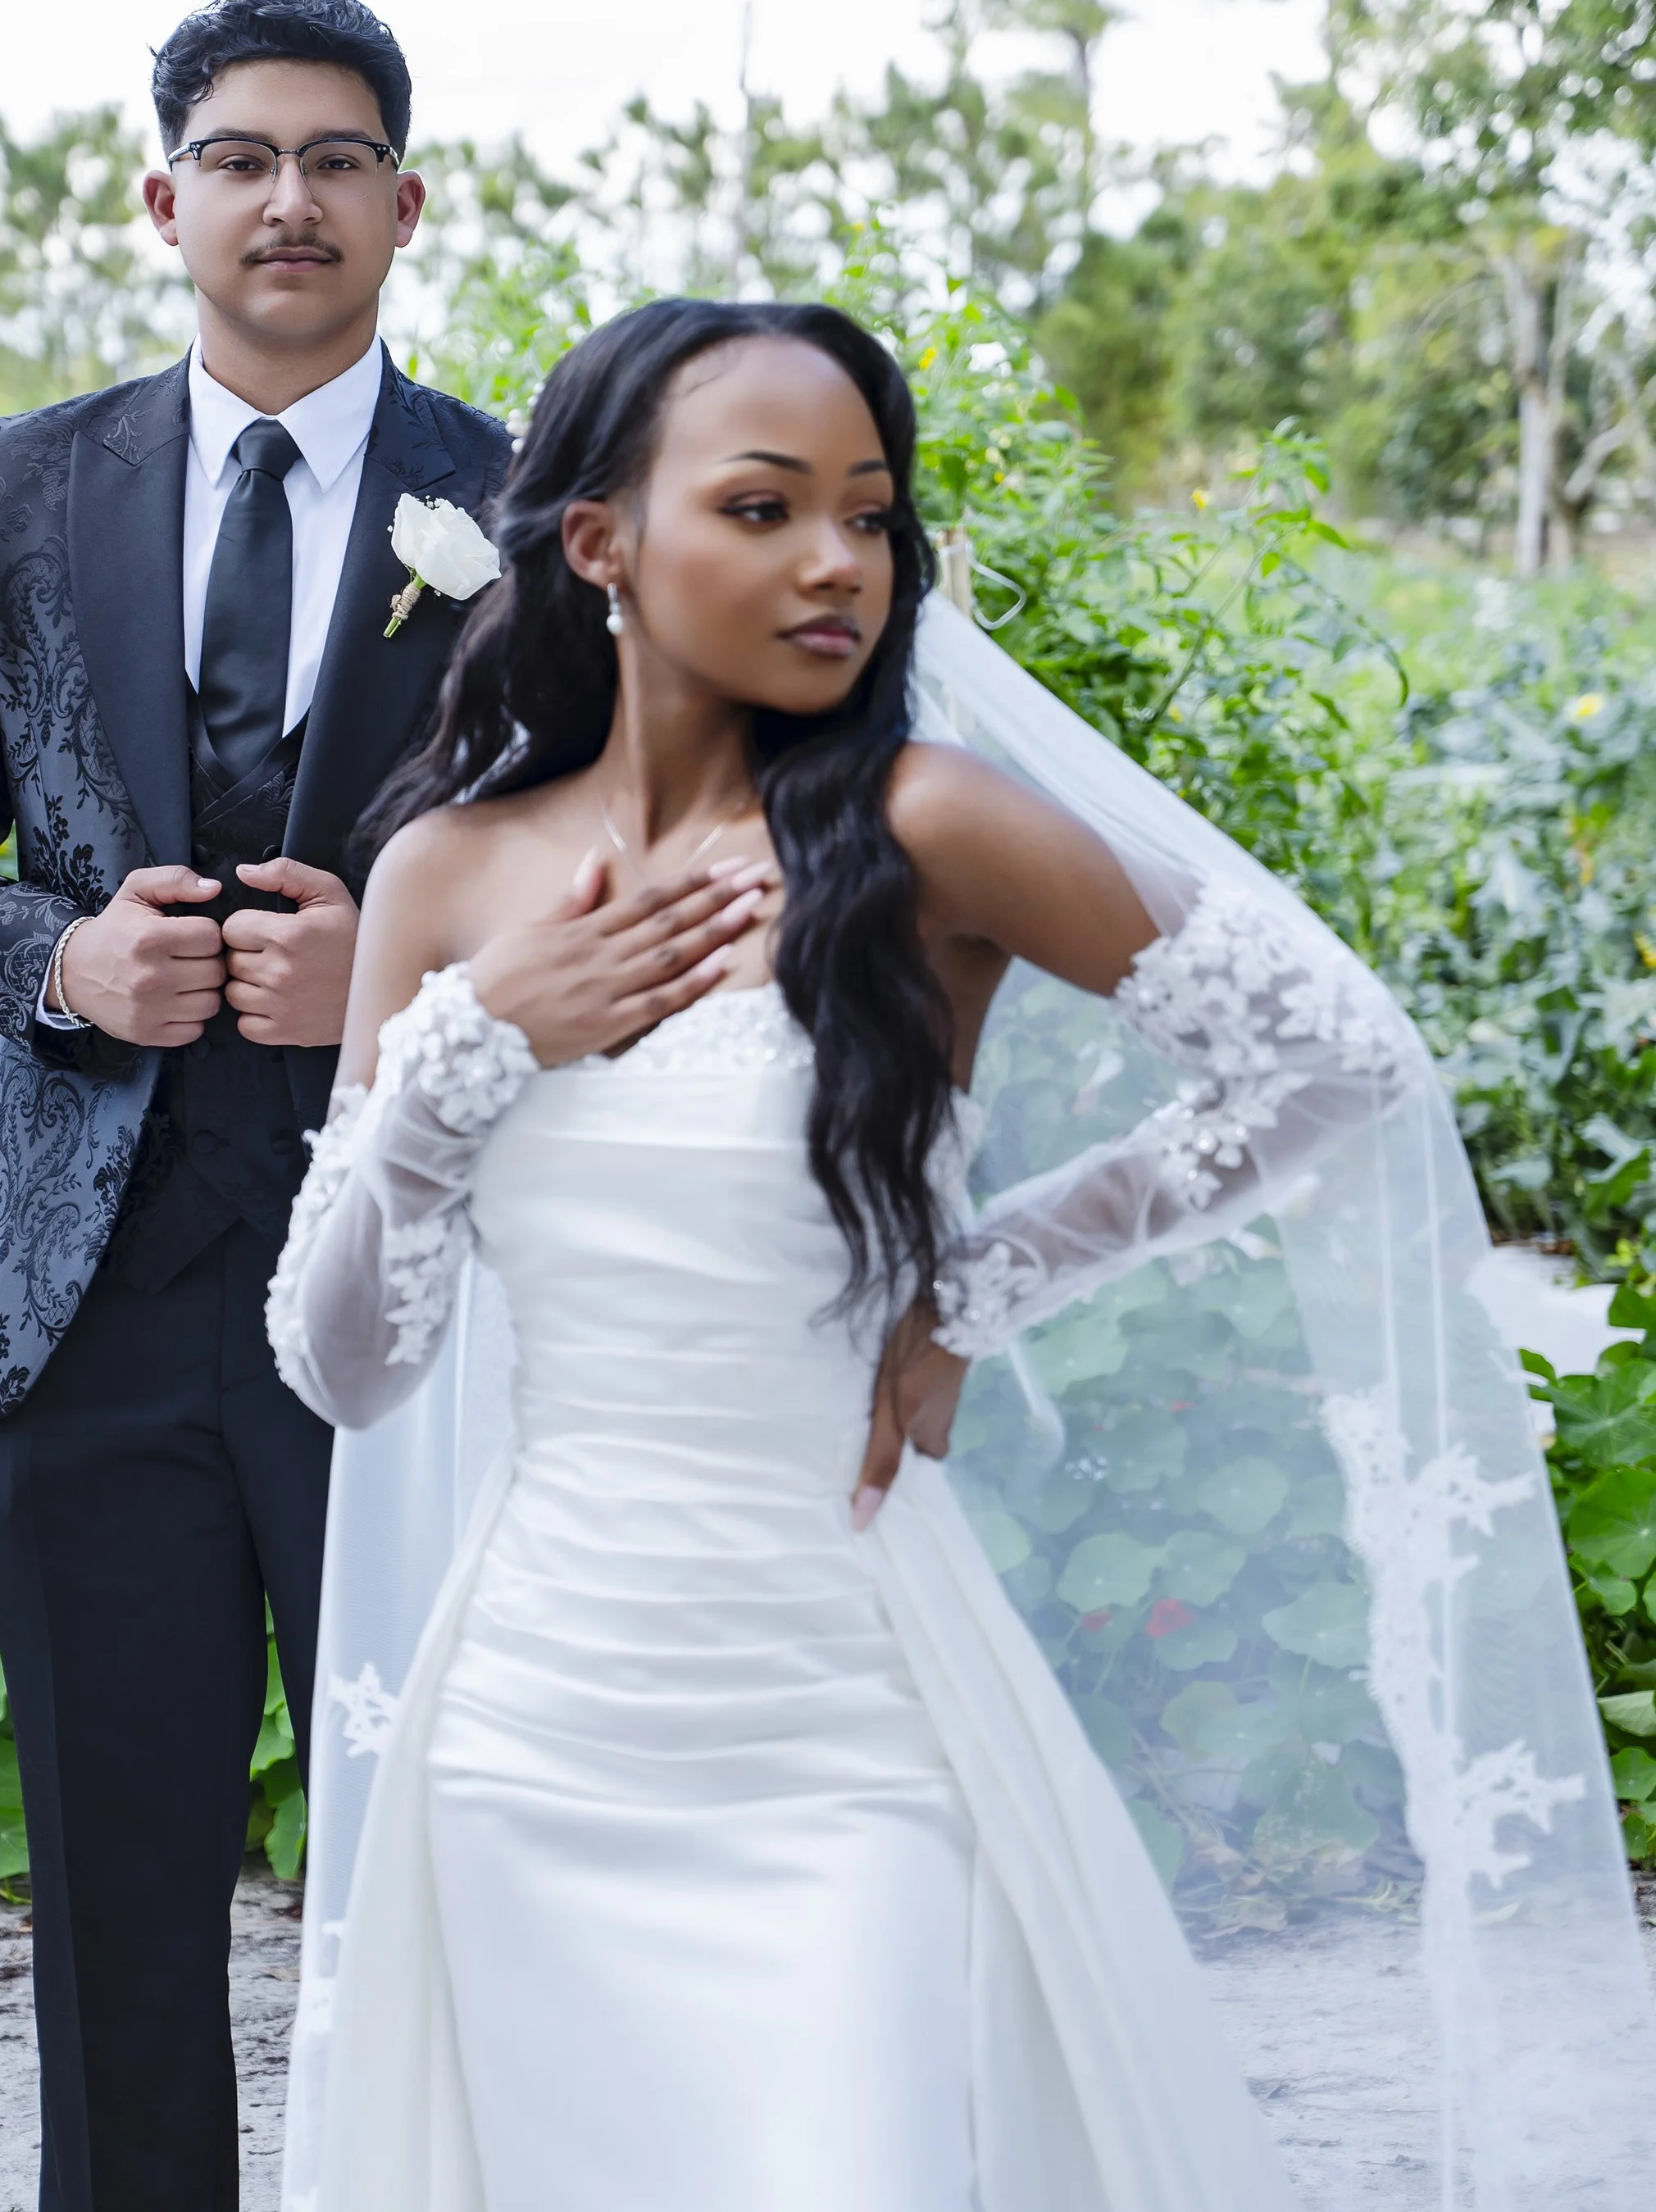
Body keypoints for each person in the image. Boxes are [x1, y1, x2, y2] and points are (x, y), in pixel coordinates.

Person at [267, 298, 1656, 2211]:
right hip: (529, 1722)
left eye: (869, 513)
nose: (836, 561)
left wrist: (975, 1282)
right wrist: (476, 1038)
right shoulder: (446, 877)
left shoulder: (924, 828)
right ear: (596, 539)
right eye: (760, 507)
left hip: (844, 1714)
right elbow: (348, 1368)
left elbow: (1331, 1061)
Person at [0, 0, 511, 2211]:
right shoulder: (17, 483)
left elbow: (651, 873)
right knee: (117, 1906)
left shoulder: (528, 501)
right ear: (163, 198)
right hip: (88, 1303)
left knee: (449, 1873)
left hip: (422, 1305)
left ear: (405, 203)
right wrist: (58, 954)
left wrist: (396, 986)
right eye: (240, 157)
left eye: (333, 158)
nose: (285, 198)